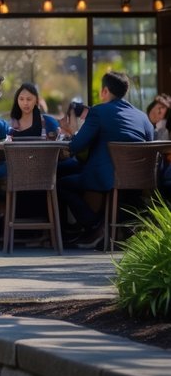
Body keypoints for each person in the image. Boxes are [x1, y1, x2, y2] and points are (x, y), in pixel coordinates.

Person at [58, 71, 154, 248]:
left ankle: (95, 225)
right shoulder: (143, 117)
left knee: (62, 184)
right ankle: (103, 226)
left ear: (105, 91)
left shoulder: (98, 112)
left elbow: (76, 146)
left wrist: (71, 132)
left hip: (107, 178)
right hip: (139, 180)